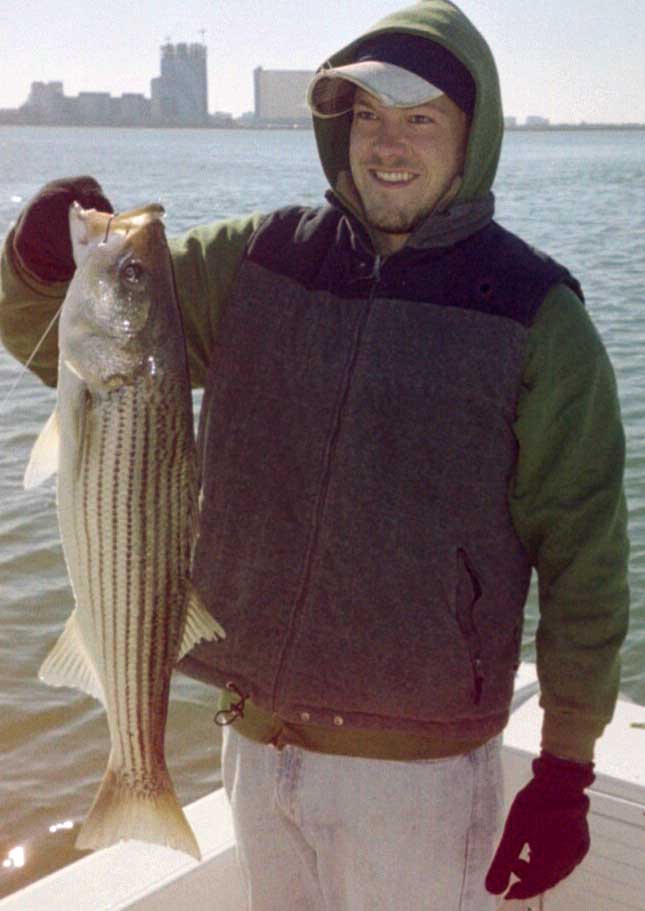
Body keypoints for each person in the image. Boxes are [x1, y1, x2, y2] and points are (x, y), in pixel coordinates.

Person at [0, 1, 629, 908]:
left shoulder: (536, 315)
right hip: (254, 748)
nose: (387, 144)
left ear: (471, 134)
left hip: (417, 776)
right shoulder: (262, 256)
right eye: (367, 117)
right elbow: (80, 348)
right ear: (339, 129)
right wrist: (32, 263)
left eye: (420, 119)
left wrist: (565, 767)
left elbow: (587, 560)